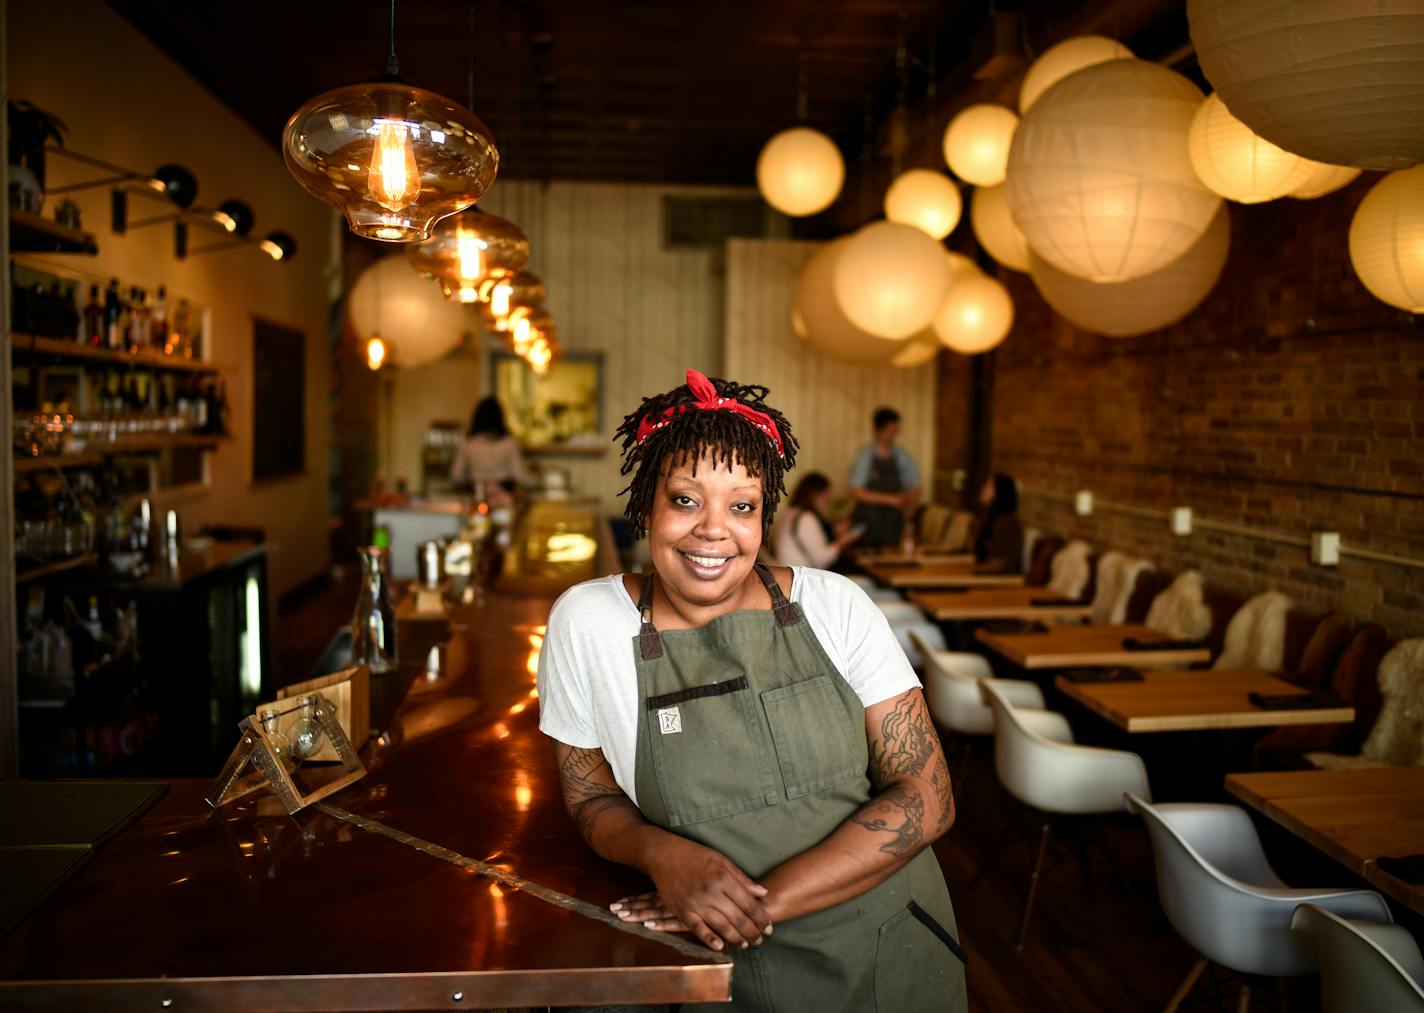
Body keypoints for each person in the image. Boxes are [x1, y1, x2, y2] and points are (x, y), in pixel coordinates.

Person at [537, 369, 966, 1013]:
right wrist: (664, 856)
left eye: (742, 505)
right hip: (705, 963)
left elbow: (929, 795)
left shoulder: (837, 607)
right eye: (686, 500)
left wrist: (752, 905)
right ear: (644, 506)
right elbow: (588, 791)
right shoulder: (587, 621)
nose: (714, 530)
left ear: (764, 517)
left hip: (881, 948)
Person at [848, 407, 921, 549]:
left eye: (896, 432)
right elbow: (856, 491)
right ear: (877, 430)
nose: (893, 436)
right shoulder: (865, 456)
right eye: (890, 431)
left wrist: (908, 500)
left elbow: (915, 487)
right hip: (868, 522)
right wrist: (891, 500)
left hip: (893, 523)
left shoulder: (902, 456)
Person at [773, 472, 861, 570]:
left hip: (789, 571)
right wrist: (842, 542)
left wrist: (835, 531)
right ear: (816, 495)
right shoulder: (806, 518)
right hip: (801, 577)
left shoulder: (790, 513)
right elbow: (823, 558)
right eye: (826, 498)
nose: (827, 503)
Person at [450, 396, 533, 492]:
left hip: (477, 496)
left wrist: (472, 480)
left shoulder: (469, 444)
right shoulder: (509, 443)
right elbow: (519, 474)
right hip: (503, 497)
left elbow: (456, 475)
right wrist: (536, 481)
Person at [972, 472, 1024, 574]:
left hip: (998, 580)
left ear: (1000, 492)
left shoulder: (1007, 522)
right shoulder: (989, 518)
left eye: (988, 486)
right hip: (984, 575)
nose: (983, 488)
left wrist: (974, 570)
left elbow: (1005, 563)